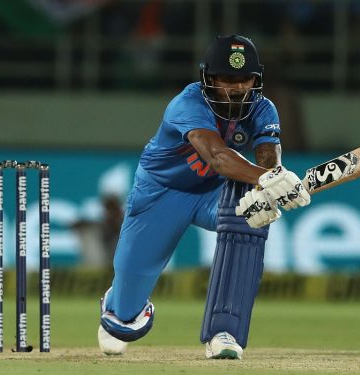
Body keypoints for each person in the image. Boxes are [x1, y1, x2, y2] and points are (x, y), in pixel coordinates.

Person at [96, 35, 311, 360]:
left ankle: (224, 331)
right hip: (162, 193)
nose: (237, 88)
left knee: (253, 213)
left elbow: (268, 155)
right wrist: (269, 178)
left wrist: (271, 182)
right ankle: (121, 304)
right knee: (122, 324)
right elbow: (217, 156)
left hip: (215, 193)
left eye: (244, 79)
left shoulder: (264, 108)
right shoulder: (187, 103)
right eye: (227, 79)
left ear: (256, 79)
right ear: (208, 79)